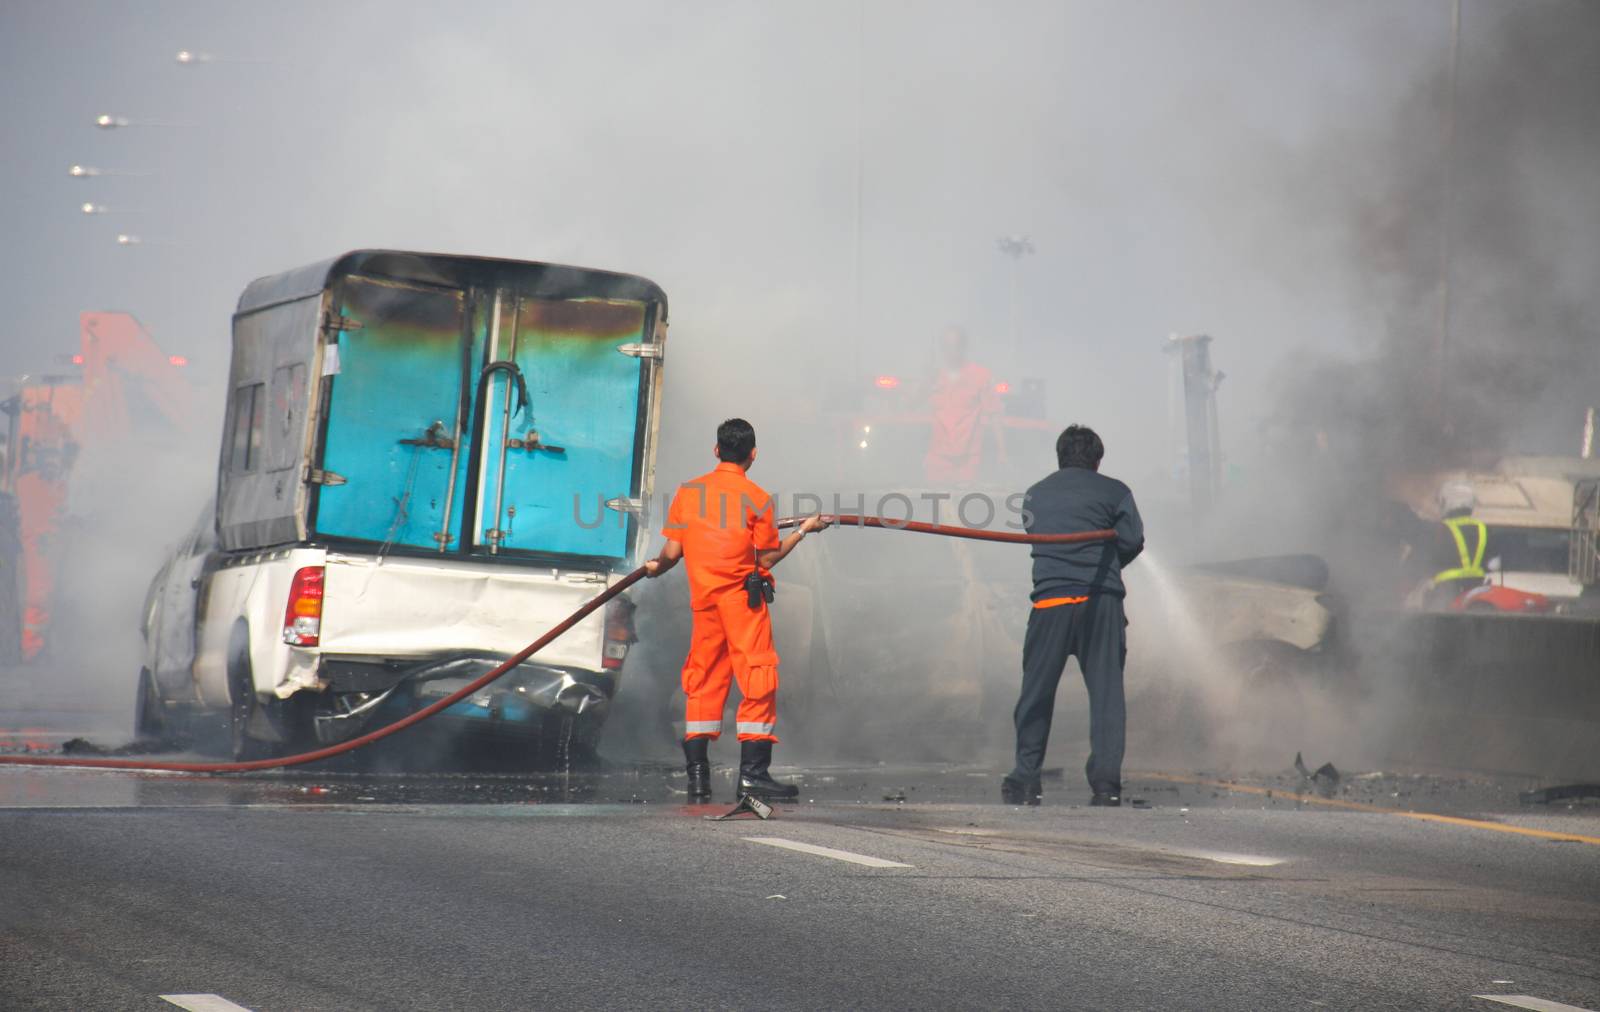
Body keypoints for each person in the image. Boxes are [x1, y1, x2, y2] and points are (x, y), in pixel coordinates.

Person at [645, 418, 828, 801]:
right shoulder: (758, 499)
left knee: (704, 679)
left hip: (704, 604)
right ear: (753, 455)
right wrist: (803, 530)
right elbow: (769, 559)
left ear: (716, 451)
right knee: (757, 677)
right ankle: (753, 775)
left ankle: (698, 776)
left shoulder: (688, 493)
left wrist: (655, 568)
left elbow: (672, 553)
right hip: (743, 604)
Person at [1003, 424, 1144, 807]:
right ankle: (1105, 785)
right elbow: (1133, 541)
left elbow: (1035, 535)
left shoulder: (1035, 493)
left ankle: (1026, 779)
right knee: (1106, 697)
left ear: (1059, 457)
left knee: (1036, 694)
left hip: (1050, 604)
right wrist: (1108, 564)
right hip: (1101, 604)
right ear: (1098, 460)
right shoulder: (1116, 492)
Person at [924, 327, 1003, 484]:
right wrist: (925, 381)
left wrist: (1002, 452)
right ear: (942, 349)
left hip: (968, 461)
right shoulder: (934, 376)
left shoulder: (980, 376)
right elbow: (909, 406)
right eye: (947, 346)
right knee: (934, 503)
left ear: (963, 347)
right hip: (937, 459)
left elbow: (994, 415)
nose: (952, 350)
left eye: (956, 345)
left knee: (965, 504)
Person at [1424, 481, 1488, 610]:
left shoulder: (1441, 529)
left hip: (1447, 589)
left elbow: (1430, 556)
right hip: (1476, 587)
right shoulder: (1482, 528)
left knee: (1439, 624)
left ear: (1447, 503)